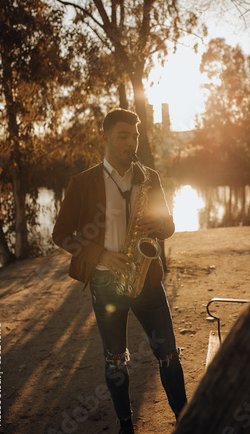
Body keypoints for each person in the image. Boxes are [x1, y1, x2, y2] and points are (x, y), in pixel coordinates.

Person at [52, 108, 187, 434]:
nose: (131, 142)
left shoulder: (148, 177)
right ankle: (126, 424)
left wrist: (161, 224)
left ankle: (185, 419)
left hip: (148, 281)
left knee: (168, 353)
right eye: (123, 136)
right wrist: (101, 254)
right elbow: (60, 235)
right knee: (116, 360)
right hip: (106, 282)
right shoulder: (82, 182)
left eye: (135, 136)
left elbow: (169, 225)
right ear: (107, 137)